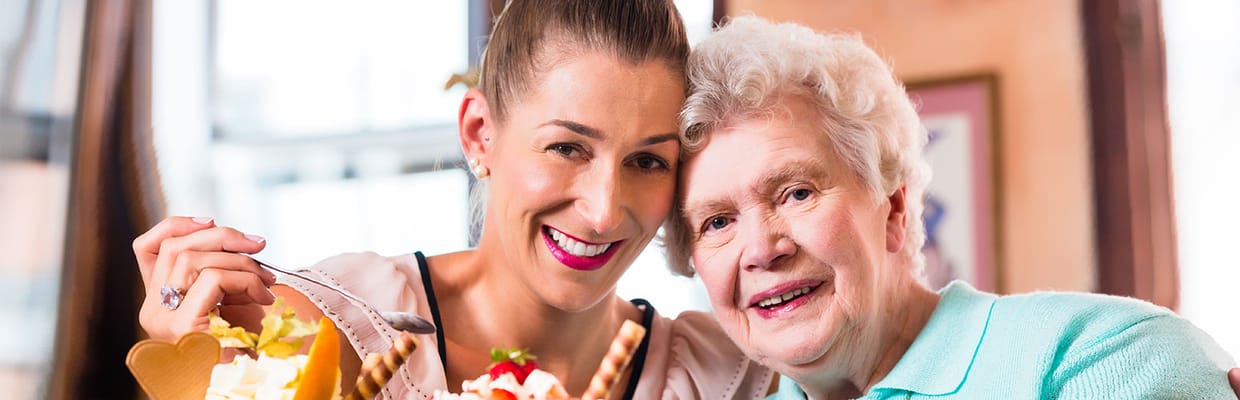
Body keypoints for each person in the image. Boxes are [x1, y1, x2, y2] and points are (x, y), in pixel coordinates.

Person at [133, 1, 773, 399]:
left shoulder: (730, 376)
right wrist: (195, 369)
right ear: (480, 134)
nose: (605, 210)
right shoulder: (325, 330)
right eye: (568, 149)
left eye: (646, 161)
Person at [664, 16, 1238, 399]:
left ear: (893, 208)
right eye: (716, 222)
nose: (762, 249)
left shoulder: (1103, 356)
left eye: (796, 193)